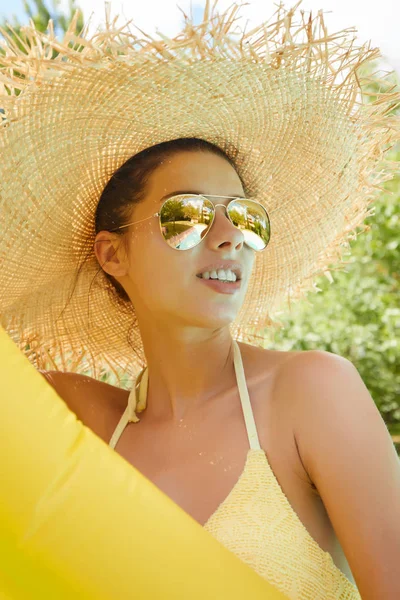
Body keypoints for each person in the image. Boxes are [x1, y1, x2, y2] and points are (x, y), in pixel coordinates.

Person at [1, 2, 399, 598]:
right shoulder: (77, 414)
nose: (227, 236)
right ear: (112, 255)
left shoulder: (311, 392)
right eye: (185, 215)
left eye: (243, 216)